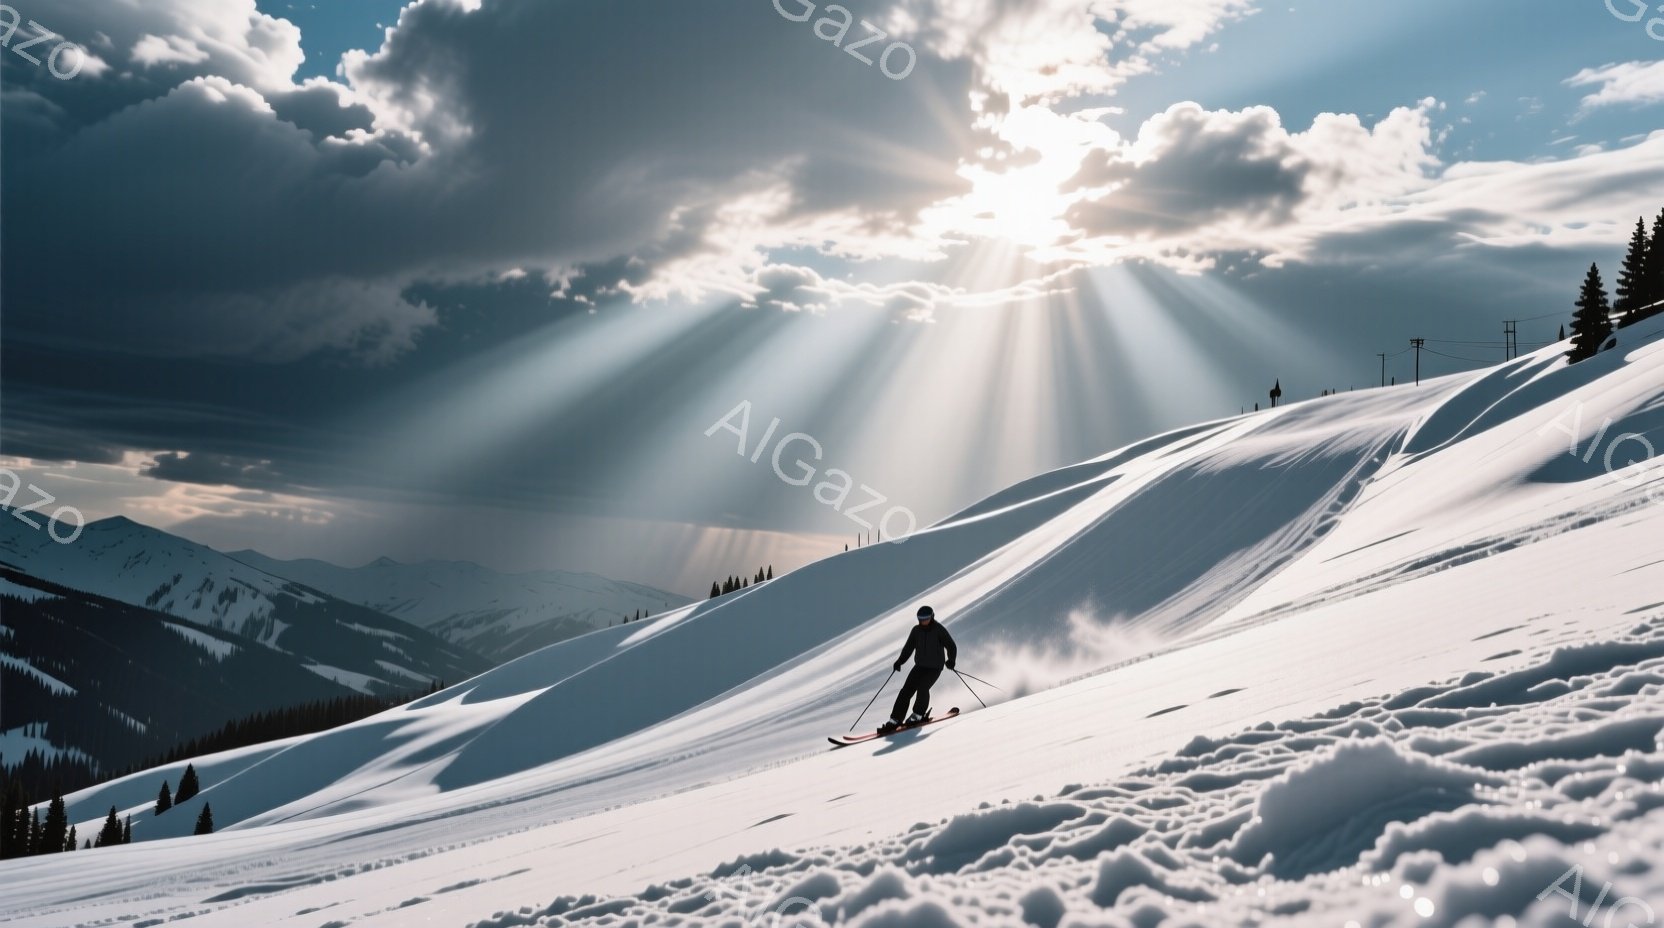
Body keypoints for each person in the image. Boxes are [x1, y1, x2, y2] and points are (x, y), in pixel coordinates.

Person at [880, 605, 957, 733]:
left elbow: (951, 646)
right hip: (920, 666)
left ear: (932, 617)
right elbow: (908, 648)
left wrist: (951, 660)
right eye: (920, 619)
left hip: (934, 668)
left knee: (923, 687)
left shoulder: (938, 630)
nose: (923, 621)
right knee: (906, 690)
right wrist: (900, 661)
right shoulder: (916, 630)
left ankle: (917, 714)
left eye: (926, 618)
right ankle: (895, 719)